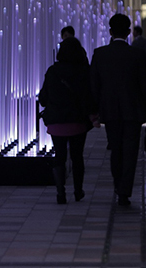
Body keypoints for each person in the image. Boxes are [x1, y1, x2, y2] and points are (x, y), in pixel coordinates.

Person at [90, 14, 146, 206]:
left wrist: (95, 111)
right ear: (128, 33)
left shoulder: (100, 54)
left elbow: (94, 86)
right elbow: (144, 84)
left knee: (115, 149)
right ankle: (124, 190)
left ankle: (118, 184)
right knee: (131, 151)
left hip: (110, 111)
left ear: (110, 32)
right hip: (133, 111)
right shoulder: (136, 55)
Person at [38, 37, 96, 204]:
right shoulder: (84, 71)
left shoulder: (52, 71)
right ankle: (78, 191)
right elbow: (88, 97)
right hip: (77, 121)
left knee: (59, 156)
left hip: (56, 122)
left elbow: (43, 97)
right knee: (77, 156)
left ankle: (60, 192)